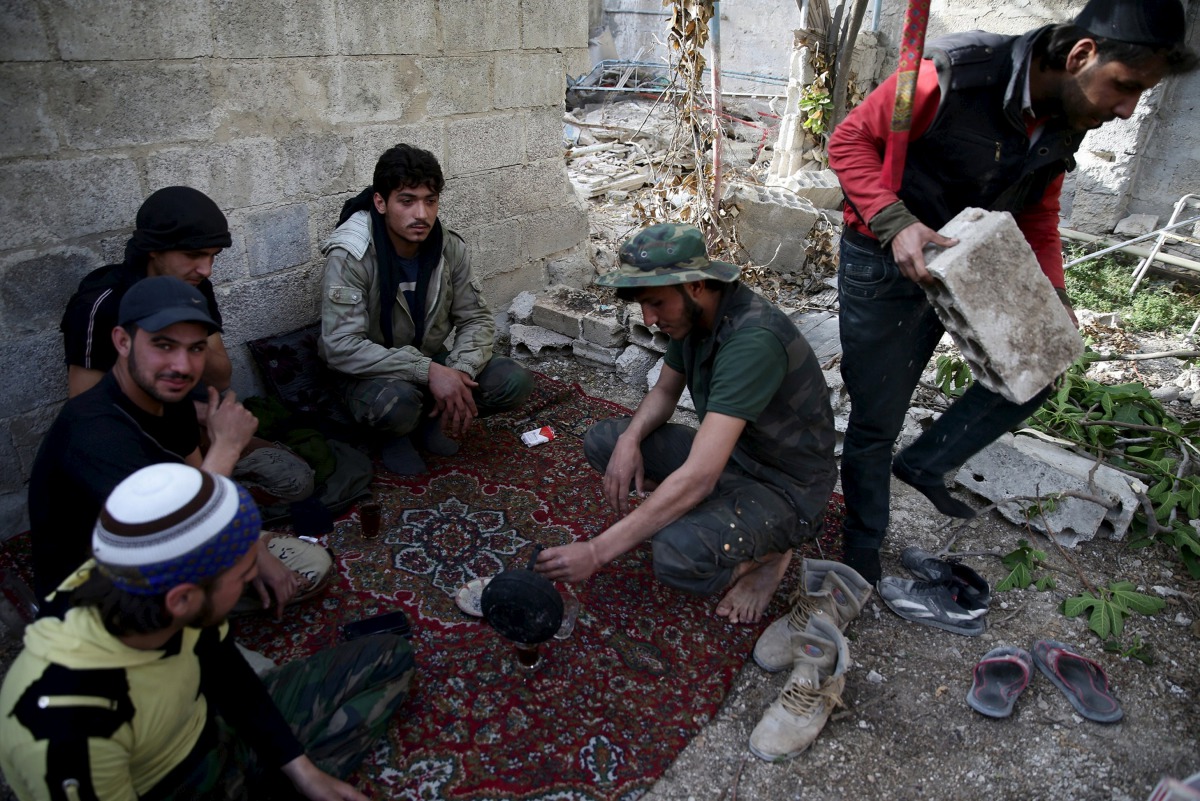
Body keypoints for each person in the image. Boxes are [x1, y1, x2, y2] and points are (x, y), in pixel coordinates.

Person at [827, 0, 1198, 582]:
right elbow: (848, 141)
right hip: (886, 259)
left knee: (1046, 358)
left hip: (976, 259)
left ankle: (926, 464)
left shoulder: (1070, 112)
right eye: (1126, 87)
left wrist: (1055, 293)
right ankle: (863, 544)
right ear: (1081, 54)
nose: (1127, 110)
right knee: (877, 418)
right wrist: (895, 222)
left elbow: (1038, 210)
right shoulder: (949, 75)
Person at [0, 463, 414, 801]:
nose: (252, 582)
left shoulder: (150, 583)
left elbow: (228, 675)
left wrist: (302, 769)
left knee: (388, 657)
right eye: (245, 576)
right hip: (173, 788)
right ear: (181, 599)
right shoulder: (65, 730)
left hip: (213, 730)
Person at [534, 224, 838, 624]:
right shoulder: (693, 316)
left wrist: (596, 551)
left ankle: (768, 556)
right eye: (643, 305)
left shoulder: (752, 341)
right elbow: (664, 392)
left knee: (676, 554)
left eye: (656, 303)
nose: (649, 318)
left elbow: (698, 476)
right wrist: (630, 440)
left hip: (785, 488)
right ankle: (712, 516)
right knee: (607, 442)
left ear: (695, 285)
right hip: (734, 458)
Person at [27, 277, 331, 616]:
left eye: (196, 348)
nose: (182, 366)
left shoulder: (170, 397)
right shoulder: (93, 431)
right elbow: (172, 540)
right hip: (111, 593)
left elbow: (196, 481)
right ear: (122, 342)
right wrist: (226, 448)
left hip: (179, 530)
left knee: (311, 565)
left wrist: (254, 552)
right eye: (163, 345)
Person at [60, 185, 317, 513]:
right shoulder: (101, 305)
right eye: (194, 256)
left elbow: (220, 378)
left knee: (298, 476)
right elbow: (87, 415)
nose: (206, 269)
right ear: (155, 250)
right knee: (190, 513)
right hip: (138, 445)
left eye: (212, 256)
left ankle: (215, 497)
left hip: (189, 428)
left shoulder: (195, 288)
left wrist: (187, 329)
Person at [319, 143, 534, 475]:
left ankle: (436, 416)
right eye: (407, 201)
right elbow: (341, 346)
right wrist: (429, 372)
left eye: (430, 201)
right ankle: (394, 434)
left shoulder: (447, 246)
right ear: (381, 203)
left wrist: (460, 373)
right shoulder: (352, 254)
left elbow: (476, 318)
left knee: (512, 380)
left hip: (429, 357)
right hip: (372, 372)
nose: (421, 214)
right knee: (396, 404)